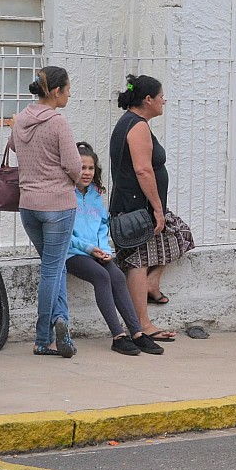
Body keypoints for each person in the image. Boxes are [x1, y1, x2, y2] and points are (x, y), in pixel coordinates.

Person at [109, 74, 187, 345]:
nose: (164, 100)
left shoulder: (131, 123)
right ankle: (142, 323)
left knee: (180, 235)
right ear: (148, 99)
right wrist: (156, 209)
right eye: (161, 95)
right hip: (136, 209)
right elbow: (143, 169)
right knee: (138, 262)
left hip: (135, 207)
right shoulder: (137, 126)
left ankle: (153, 285)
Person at [10, 66, 82, 359]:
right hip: (58, 205)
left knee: (57, 264)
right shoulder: (58, 122)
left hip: (28, 205)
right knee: (52, 270)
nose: (70, 93)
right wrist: (69, 181)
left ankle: (60, 319)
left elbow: (14, 146)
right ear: (55, 91)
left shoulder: (21, 118)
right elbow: (75, 165)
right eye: (67, 88)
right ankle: (43, 339)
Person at [66, 142, 161, 356]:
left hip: (95, 251)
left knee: (116, 275)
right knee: (102, 277)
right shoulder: (64, 193)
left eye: (90, 168)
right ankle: (118, 335)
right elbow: (66, 234)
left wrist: (102, 248)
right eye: (82, 167)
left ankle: (136, 333)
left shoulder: (95, 193)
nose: (87, 172)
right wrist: (90, 249)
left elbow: (102, 224)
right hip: (72, 252)